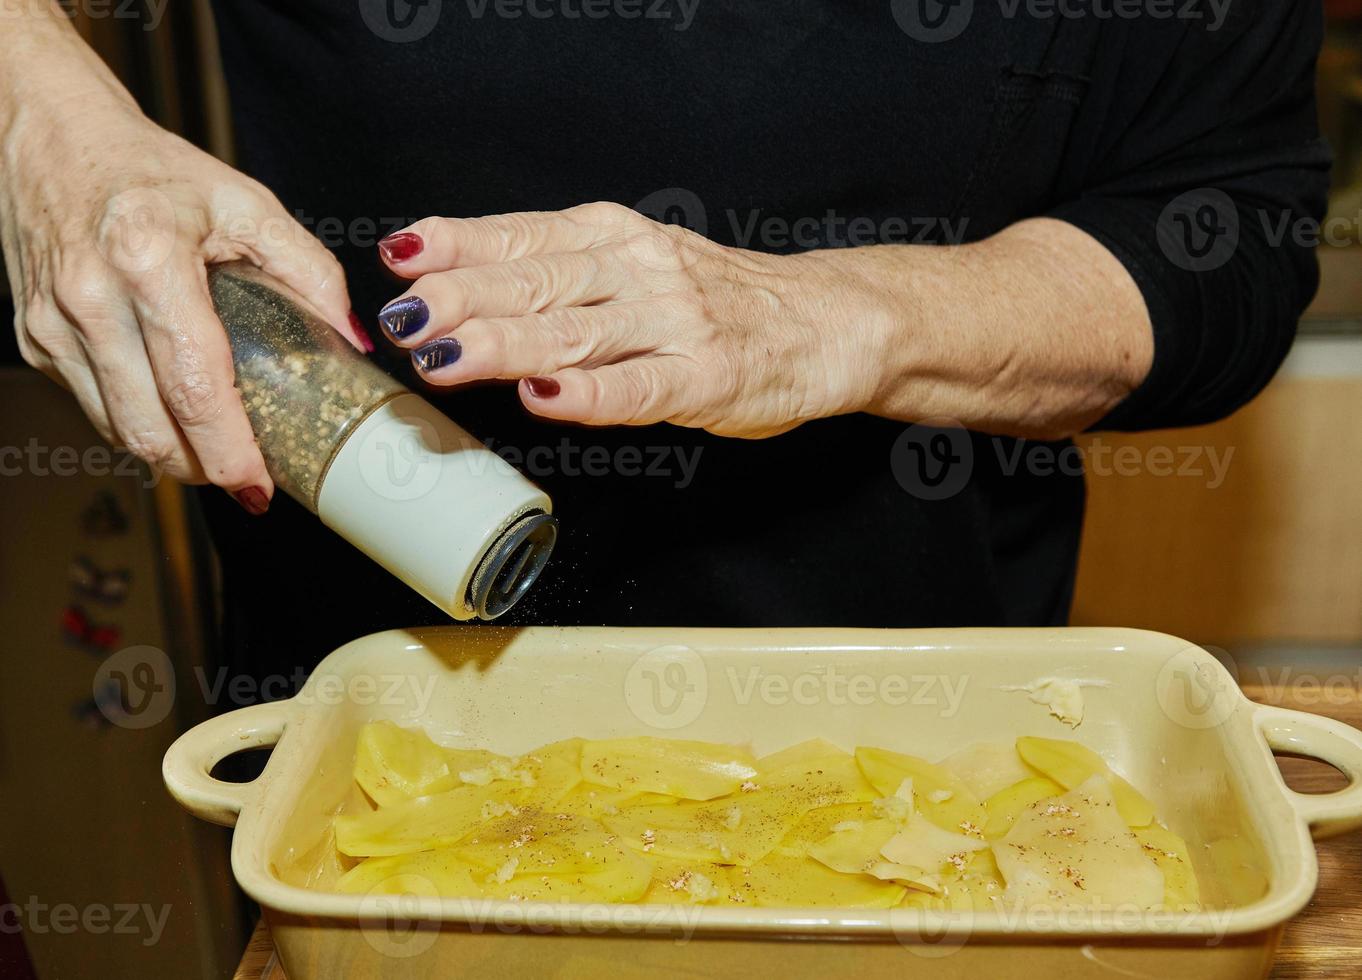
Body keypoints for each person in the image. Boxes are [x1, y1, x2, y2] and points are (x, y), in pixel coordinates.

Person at [0, 1, 1330, 681]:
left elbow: (1222, 217)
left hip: (910, 706)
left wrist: (844, 318)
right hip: (371, 702)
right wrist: (41, 117)